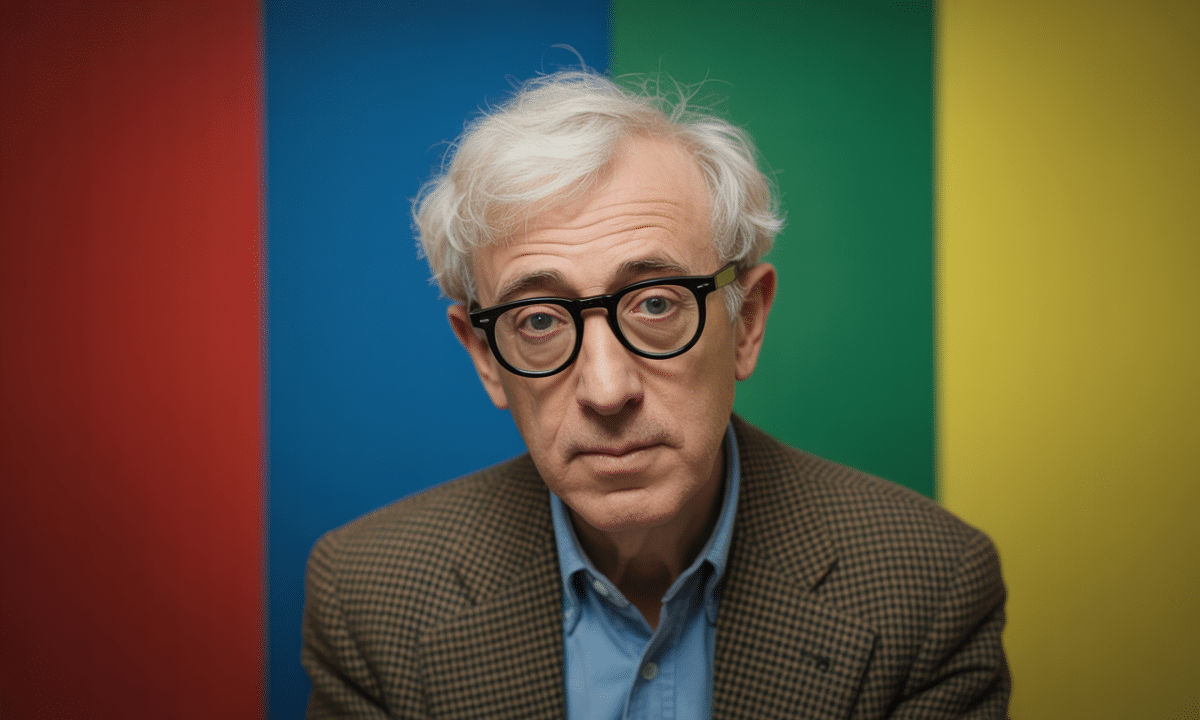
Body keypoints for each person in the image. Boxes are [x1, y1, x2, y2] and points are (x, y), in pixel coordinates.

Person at [302, 69, 1010, 719]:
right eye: (539, 320)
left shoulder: (929, 584)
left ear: (747, 322)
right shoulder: (369, 595)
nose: (607, 391)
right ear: (485, 357)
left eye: (656, 304)